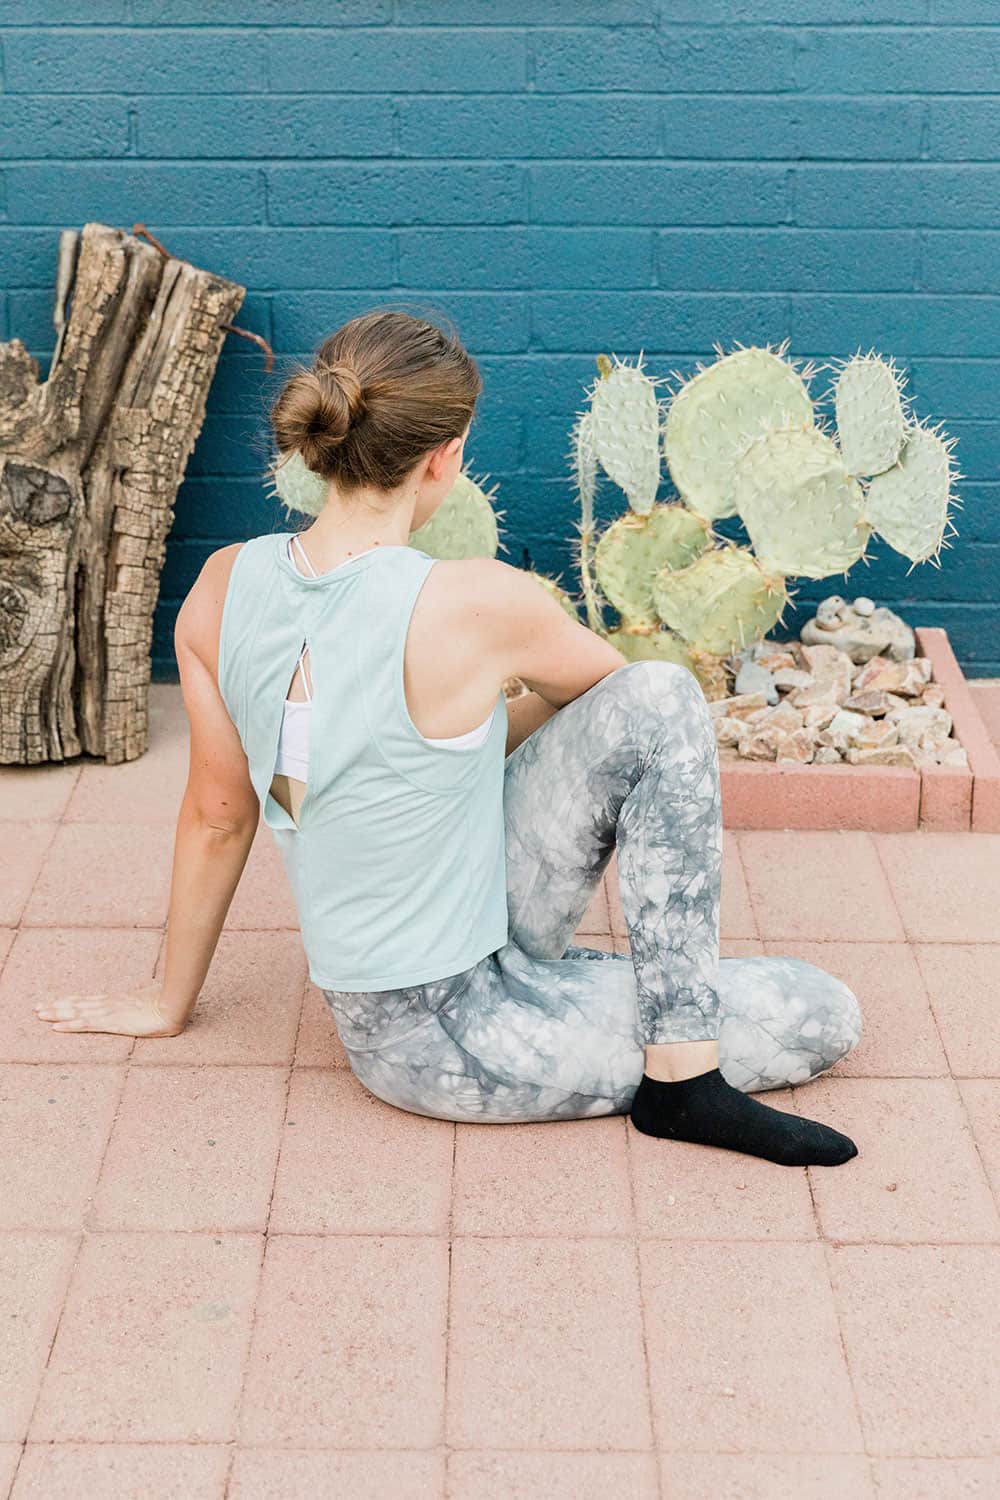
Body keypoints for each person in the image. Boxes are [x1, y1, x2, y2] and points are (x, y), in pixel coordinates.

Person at [36, 309, 862, 1167]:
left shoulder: (220, 584)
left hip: (405, 1000)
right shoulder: (482, 601)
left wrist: (168, 1001)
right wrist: (498, 693)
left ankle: (607, 1007)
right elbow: (620, 703)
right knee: (821, 1007)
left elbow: (220, 814)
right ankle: (683, 1085)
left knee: (652, 711)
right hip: (445, 1043)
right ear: (446, 455)